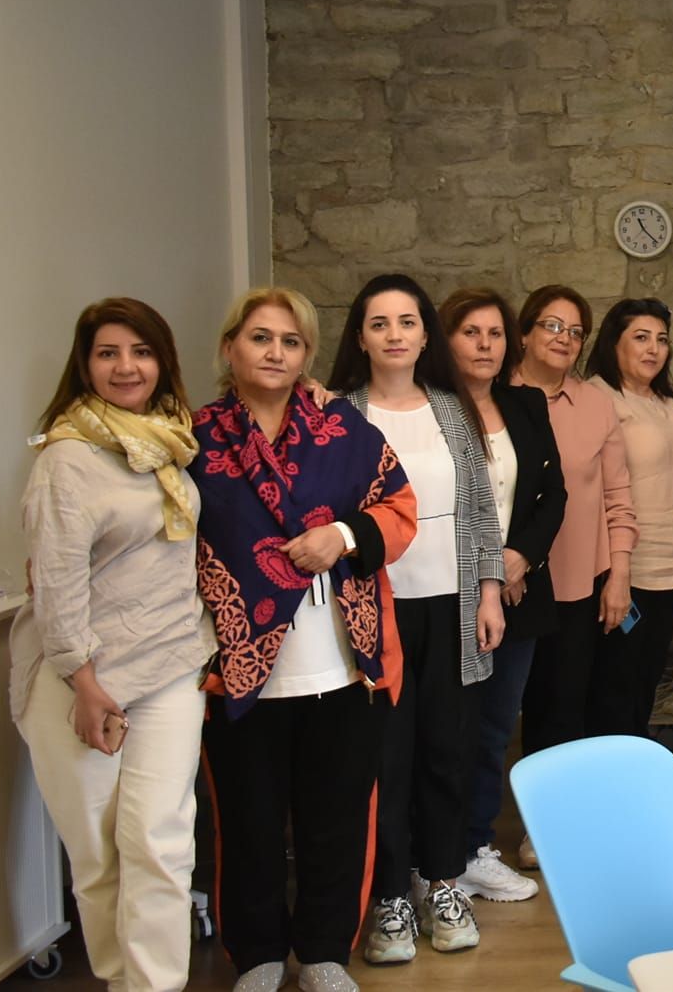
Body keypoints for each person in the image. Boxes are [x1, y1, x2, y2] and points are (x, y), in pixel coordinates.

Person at [190, 289, 418, 992]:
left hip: (341, 664)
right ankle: (257, 954)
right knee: (247, 822)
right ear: (230, 346)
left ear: (307, 356)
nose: (275, 352)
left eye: (291, 342)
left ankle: (323, 951)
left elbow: (400, 508)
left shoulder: (342, 428)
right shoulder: (191, 438)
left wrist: (342, 535)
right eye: (260, 337)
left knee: (337, 819)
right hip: (238, 668)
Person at [11, 299, 209, 992]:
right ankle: (123, 980)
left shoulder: (171, 439)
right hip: (81, 679)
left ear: (162, 361)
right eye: (108, 353)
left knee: (160, 843)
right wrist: (85, 681)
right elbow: (56, 581)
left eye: (141, 351)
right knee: (99, 859)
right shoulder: (67, 458)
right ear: (85, 364)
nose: (126, 367)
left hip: (170, 665)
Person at [329, 275, 504, 962]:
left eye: (407, 321)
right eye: (380, 323)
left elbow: (480, 507)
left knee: (448, 750)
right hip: (375, 613)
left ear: (426, 333)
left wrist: (489, 590)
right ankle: (390, 896)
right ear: (361, 336)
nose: (395, 334)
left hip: (452, 607)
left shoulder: (452, 408)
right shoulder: (340, 414)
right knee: (384, 757)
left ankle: (444, 882)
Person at [440, 287, 560, 906]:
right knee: (445, 730)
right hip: (444, 593)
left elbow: (552, 496)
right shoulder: (428, 408)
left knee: (493, 728)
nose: (485, 345)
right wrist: (486, 568)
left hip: (519, 594)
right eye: (470, 333)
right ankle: (435, 857)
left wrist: (518, 558)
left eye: (494, 334)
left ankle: (475, 848)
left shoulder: (525, 404)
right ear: (445, 339)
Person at [511, 286, 636, 777]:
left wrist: (619, 576)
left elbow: (618, 497)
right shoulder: (492, 398)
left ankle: (551, 814)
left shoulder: (595, 405)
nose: (564, 338)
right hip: (506, 580)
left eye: (576, 332)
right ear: (524, 333)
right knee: (499, 711)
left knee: (562, 709)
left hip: (575, 584)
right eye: (552, 326)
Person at [586, 298, 673, 738]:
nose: (654, 349)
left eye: (661, 340)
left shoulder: (666, 400)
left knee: (645, 679)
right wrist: (614, 573)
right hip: (625, 569)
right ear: (613, 344)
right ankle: (610, 772)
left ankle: (634, 762)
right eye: (640, 338)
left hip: (672, 564)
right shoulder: (599, 399)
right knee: (614, 685)